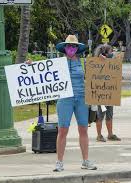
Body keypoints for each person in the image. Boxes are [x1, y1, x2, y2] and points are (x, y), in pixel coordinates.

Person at [54, 35, 97, 172]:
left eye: (74, 46)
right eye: (69, 46)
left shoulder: (84, 62)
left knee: (83, 129)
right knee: (62, 130)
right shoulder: (58, 62)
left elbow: (97, 72)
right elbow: (42, 72)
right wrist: (30, 65)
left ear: (77, 48)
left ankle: (85, 161)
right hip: (64, 98)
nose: (71, 48)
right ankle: (59, 162)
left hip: (81, 98)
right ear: (64, 48)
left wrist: (102, 62)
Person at [93, 44, 121, 142]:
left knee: (109, 114)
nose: (112, 53)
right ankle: (99, 135)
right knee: (100, 115)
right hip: (101, 93)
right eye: (110, 52)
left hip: (110, 91)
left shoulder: (111, 63)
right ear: (104, 53)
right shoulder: (95, 63)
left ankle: (110, 134)